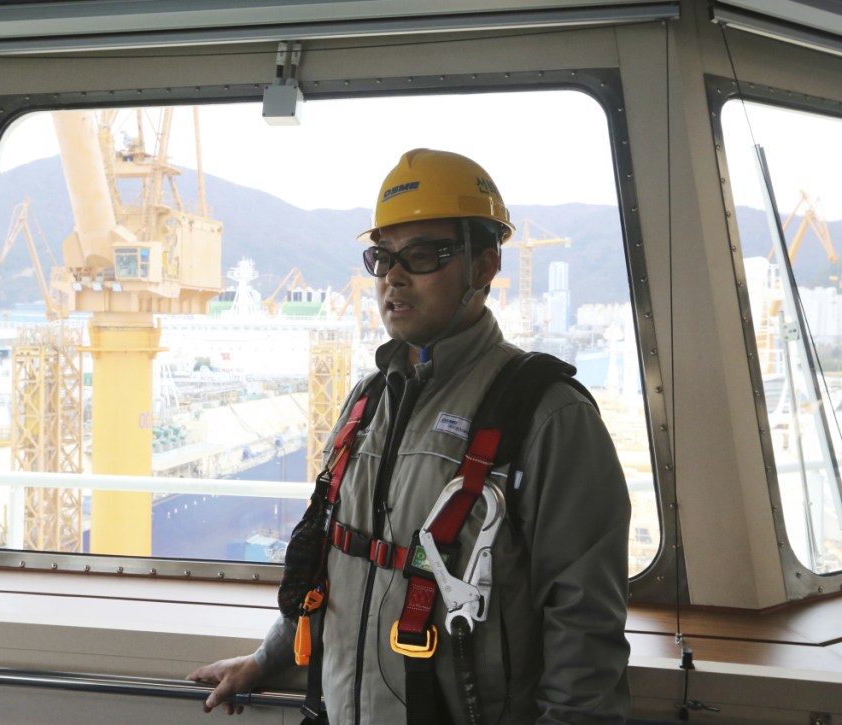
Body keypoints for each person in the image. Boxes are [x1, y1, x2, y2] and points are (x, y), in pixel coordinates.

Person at [188, 148, 632, 724]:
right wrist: (268, 658)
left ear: (483, 265)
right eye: (383, 257)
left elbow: (585, 626)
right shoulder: (367, 402)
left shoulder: (547, 416)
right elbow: (331, 562)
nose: (394, 277)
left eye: (422, 255)